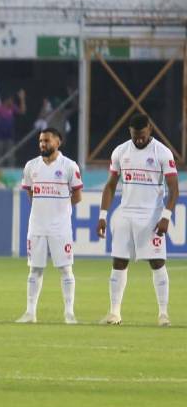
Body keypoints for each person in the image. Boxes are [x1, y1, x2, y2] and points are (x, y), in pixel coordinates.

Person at [96, 114, 179, 326]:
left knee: (157, 262)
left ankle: (163, 314)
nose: (139, 140)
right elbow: (111, 185)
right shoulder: (121, 151)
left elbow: (173, 189)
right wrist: (103, 215)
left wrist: (166, 217)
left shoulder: (162, 152)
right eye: (135, 136)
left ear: (150, 129)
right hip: (125, 214)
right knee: (118, 261)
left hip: (151, 215)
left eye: (142, 135)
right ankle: (115, 313)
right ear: (130, 132)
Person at [16, 128, 82, 324]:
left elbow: (77, 196)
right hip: (36, 226)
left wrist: (60, 211)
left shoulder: (69, 166)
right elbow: (30, 192)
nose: (43, 144)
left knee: (65, 269)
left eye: (46, 141)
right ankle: (30, 313)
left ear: (57, 142)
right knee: (35, 269)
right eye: (40, 141)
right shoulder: (31, 166)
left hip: (60, 227)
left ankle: (69, 313)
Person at [0, 89, 26, 166]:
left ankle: (11, 169)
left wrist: (22, 98)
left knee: (10, 155)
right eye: (10, 100)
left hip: (9, 136)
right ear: (6, 100)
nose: (12, 102)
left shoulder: (12, 108)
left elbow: (22, 111)